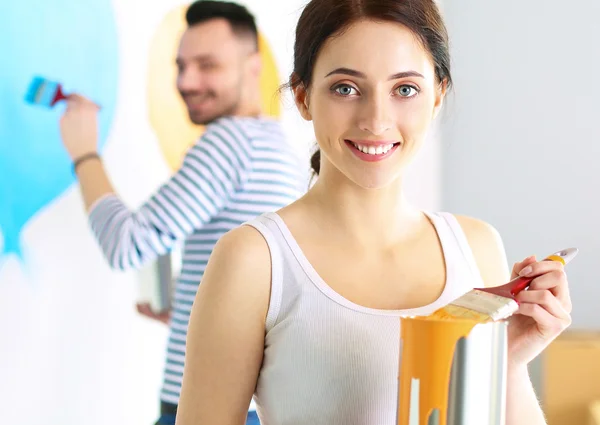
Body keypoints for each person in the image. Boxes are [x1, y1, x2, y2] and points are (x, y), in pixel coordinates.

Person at [174, 0, 574, 423]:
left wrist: (508, 360)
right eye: (346, 88)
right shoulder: (253, 260)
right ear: (303, 96)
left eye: (404, 89)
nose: (376, 121)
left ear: (437, 94)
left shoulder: (476, 247)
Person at [58, 1, 307, 424]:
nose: (187, 81)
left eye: (207, 65)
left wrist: (84, 153)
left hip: (202, 410)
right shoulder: (278, 148)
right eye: (181, 65)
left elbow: (127, 244)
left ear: (252, 66)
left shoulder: (230, 143)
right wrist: (194, 303)